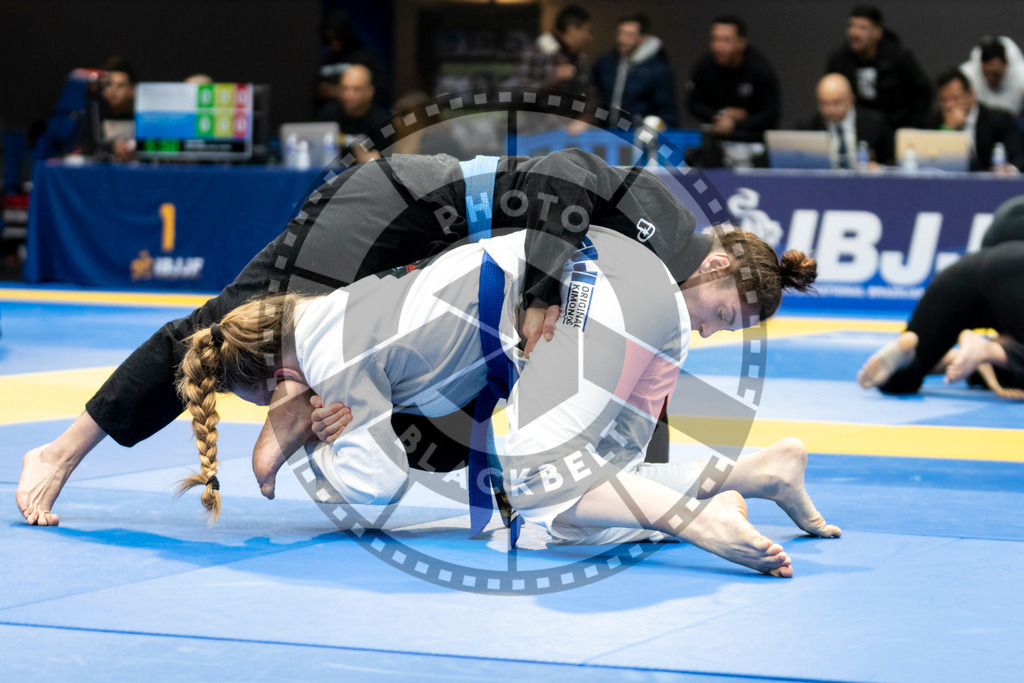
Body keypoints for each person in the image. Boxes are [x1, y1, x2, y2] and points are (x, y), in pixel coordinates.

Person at [16, 149, 713, 527]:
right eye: (725, 314)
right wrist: (540, 293)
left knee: (429, 417)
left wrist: (648, 467)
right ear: (716, 266)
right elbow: (563, 175)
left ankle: (296, 401)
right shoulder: (663, 227)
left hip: (442, 264)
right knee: (219, 327)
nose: (715, 328)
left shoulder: (657, 288)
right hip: (396, 208)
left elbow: (646, 379)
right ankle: (60, 448)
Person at [174, 225, 832, 578]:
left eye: (724, 320)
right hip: (596, 307)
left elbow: (372, 493)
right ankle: (764, 470)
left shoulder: (330, 348)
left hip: (585, 299)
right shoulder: (345, 316)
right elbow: (644, 431)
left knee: (536, 479)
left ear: (272, 380)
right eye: (721, 316)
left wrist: (309, 439)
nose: (711, 329)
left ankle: (697, 523)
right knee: (582, 496)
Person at [858, 238, 1024, 398]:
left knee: (902, 379)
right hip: (1013, 280)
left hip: (964, 272)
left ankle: (920, 360)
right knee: (1011, 364)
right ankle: (989, 351)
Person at [825, 5, 932, 131]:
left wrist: (911, 125)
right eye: (851, 26)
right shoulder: (839, 60)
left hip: (894, 128)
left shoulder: (898, 57)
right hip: (857, 130)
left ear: (877, 33)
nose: (854, 33)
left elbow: (923, 91)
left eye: (862, 28)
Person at [686, 15, 781, 143]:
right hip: (715, 140)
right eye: (715, 39)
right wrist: (721, 114)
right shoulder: (704, 66)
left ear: (741, 43)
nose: (718, 46)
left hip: (753, 141)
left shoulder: (759, 69)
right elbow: (693, 104)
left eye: (726, 40)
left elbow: (771, 113)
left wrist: (736, 124)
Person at [925, 68, 1024, 173]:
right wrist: (948, 129)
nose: (949, 105)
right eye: (944, 100)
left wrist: (1011, 170)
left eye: (955, 98)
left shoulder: (999, 120)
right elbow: (928, 163)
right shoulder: (934, 121)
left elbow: (1020, 156)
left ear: (971, 94)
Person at [591, 14, 679, 129]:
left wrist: (661, 127)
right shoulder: (605, 63)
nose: (622, 39)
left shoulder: (657, 69)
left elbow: (667, 109)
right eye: (620, 33)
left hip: (638, 136)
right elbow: (594, 93)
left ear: (642, 38)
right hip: (607, 133)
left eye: (630, 35)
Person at [804, 73, 893, 167]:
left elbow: (892, 160)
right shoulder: (809, 128)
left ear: (851, 100)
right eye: (824, 103)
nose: (830, 110)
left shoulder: (874, 123)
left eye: (836, 103)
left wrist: (879, 168)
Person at [316, 9, 389, 114]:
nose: (335, 44)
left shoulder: (366, 58)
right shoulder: (326, 59)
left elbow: (381, 93)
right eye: (330, 40)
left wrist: (337, 92)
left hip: (363, 119)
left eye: (338, 39)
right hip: (331, 117)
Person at [316, 64, 391, 137]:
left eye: (356, 89)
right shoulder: (328, 116)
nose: (349, 94)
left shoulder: (383, 124)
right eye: (345, 88)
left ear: (370, 92)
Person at [960, 36, 1024, 119]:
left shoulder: (1021, 76)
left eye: (995, 74)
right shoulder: (966, 76)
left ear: (1006, 63)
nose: (990, 78)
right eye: (986, 73)